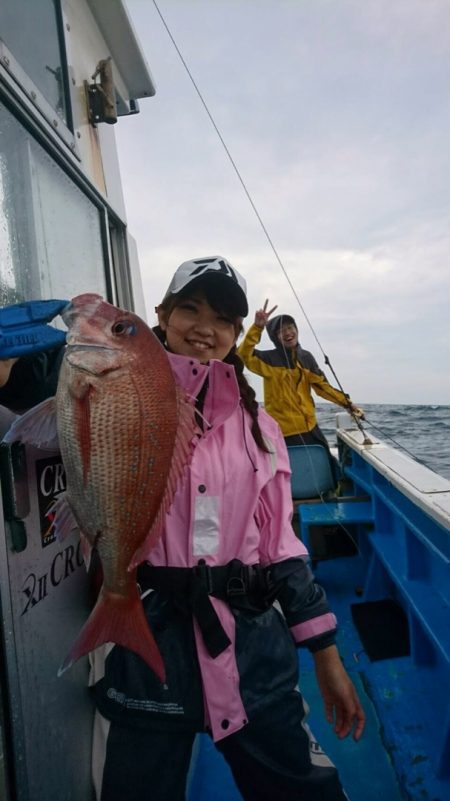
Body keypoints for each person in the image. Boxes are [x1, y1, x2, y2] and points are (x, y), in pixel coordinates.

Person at [0, 256, 365, 801]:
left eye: (222, 319)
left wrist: (327, 656)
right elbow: (23, 410)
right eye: (189, 309)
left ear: (238, 333)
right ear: (161, 317)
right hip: (151, 650)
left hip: (253, 658)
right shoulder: (104, 385)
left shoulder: (262, 427)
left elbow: (282, 550)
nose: (204, 327)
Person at [237, 302, 364, 477]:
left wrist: (347, 404)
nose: (288, 333)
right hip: (283, 431)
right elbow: (243, 355)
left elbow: (323, 387)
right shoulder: (268, 359)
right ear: (275, 337)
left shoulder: (306, 358)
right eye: (282, 331)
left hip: (310, 426)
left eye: (291, 328)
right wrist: (257, 328)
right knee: (290, 475)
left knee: (327, 468)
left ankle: (331, 491)